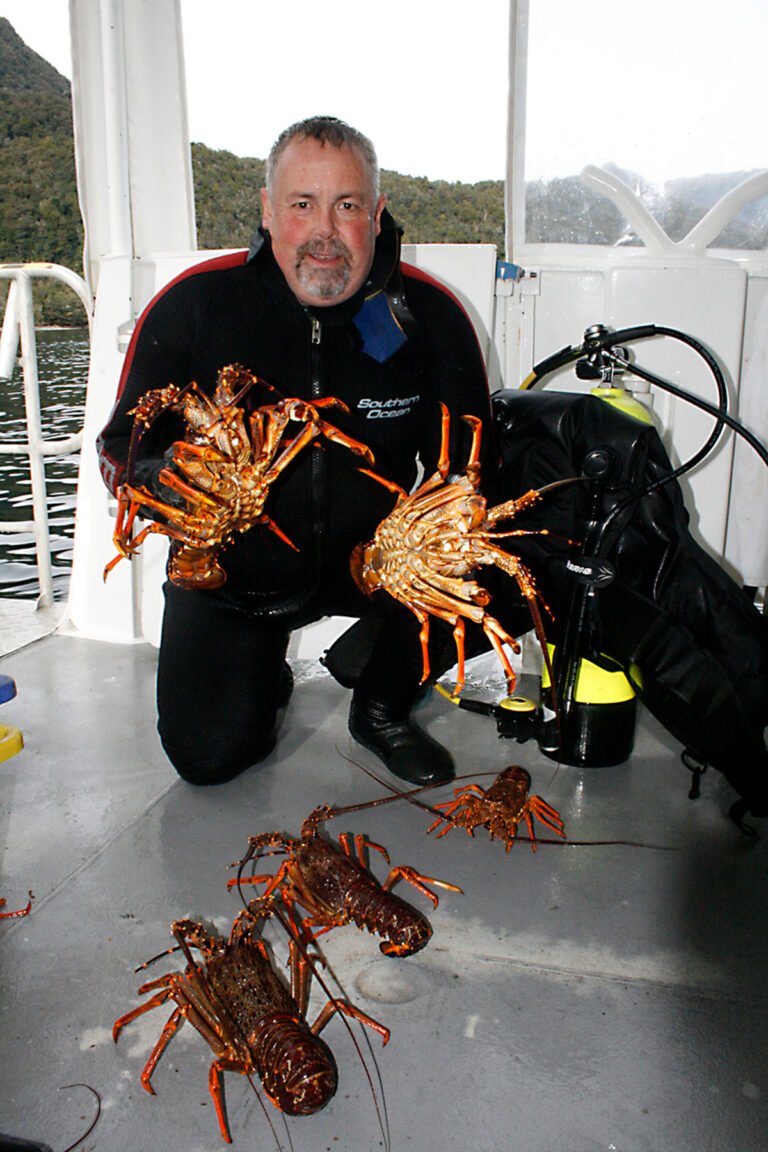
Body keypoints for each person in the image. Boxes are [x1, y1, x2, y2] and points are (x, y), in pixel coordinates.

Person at [97, 115, 492, 788]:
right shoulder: (197, 304)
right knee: (208, 759)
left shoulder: (430, 315)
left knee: (518, 549)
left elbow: (474, 469)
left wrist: (441, 529)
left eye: (346, 207)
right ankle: (259, 671)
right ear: (268, 211)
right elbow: (120, 446)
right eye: (302, 205)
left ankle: (381, 696)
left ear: (376, 213)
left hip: (379, 564)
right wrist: (166, 480)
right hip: (236, 576)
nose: (323, 233)